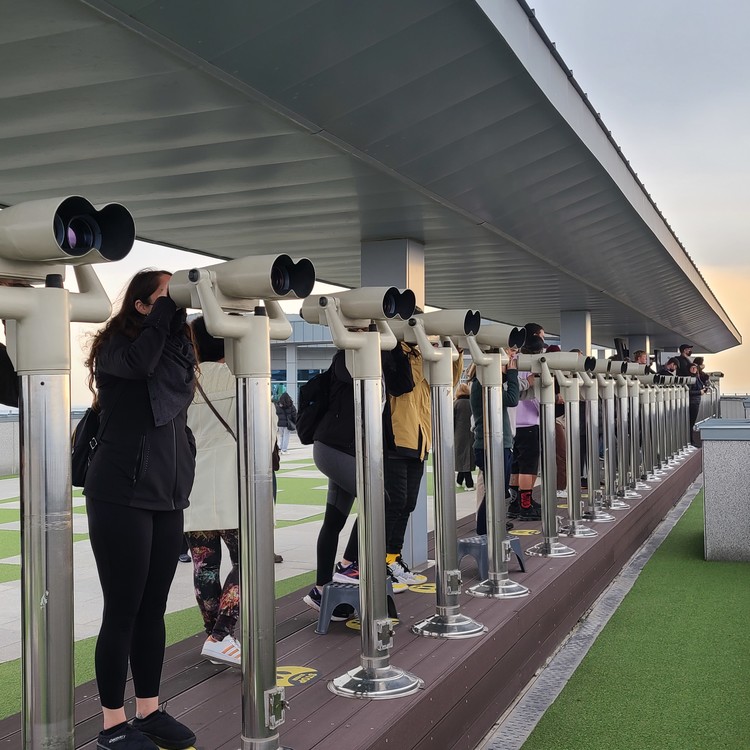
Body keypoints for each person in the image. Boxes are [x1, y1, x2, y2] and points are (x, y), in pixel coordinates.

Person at [84, 270, 197, 750]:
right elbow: (139, 364)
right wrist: (163, 317)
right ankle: (112, 725)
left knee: (153, 608)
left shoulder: (175, 350)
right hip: (120, 494)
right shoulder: (116, 348)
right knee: (123, 609)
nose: (173, 309)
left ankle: (148, 712)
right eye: (163, 299)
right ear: (140, 305)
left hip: (167, 496)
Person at [183, 316, 242, 668]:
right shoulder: (241, 378)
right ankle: (221, 635)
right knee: (247, 561)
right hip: (234, 485)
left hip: (193, 486)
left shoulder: (182, 381)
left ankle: (214, 637)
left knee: (204, 566)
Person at [453, 382, 475, 489]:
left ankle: (467, 482)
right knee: (468, 457)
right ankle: (462, 481)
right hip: (471, 433)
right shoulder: (472, 403)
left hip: (458, 435)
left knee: (462, 458)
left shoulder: (455, 404)